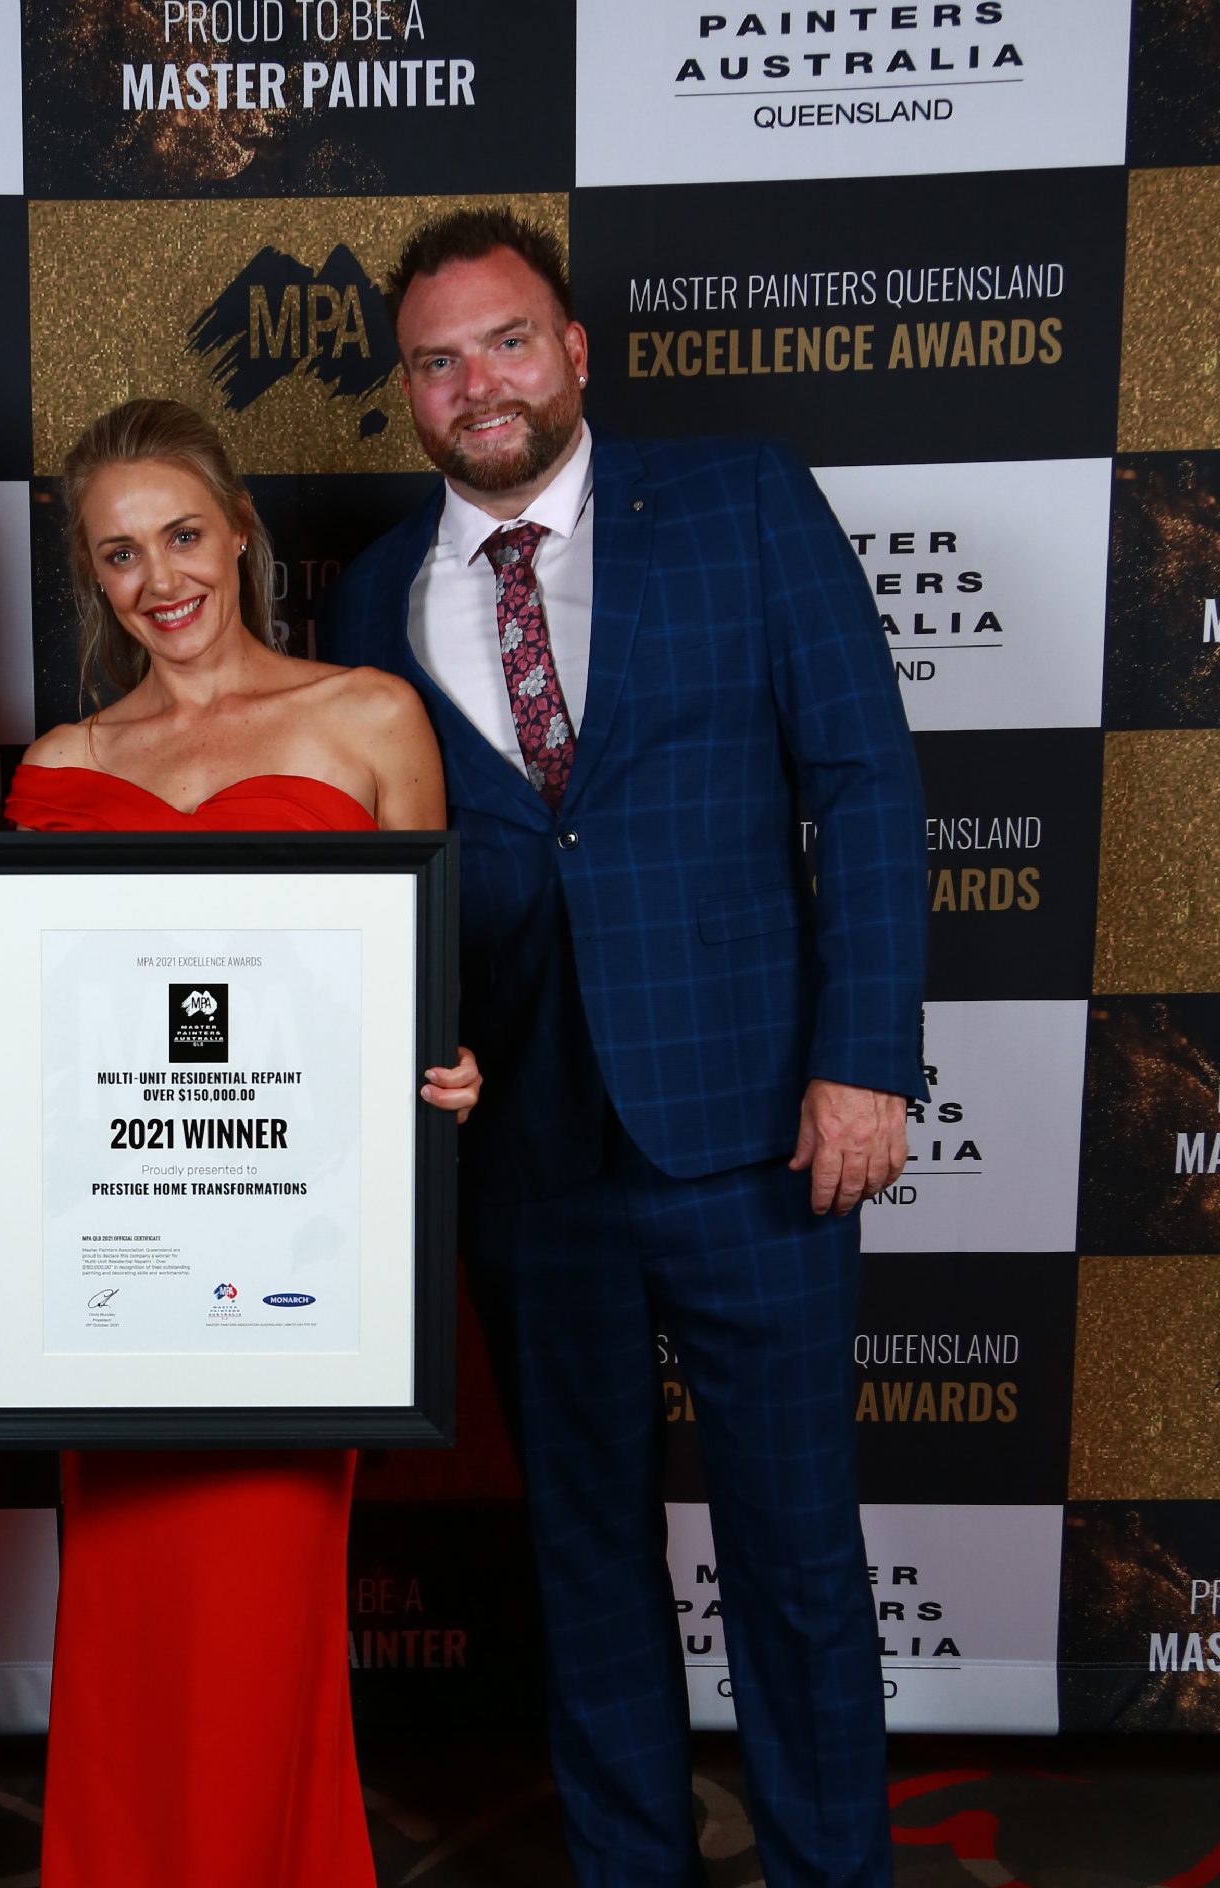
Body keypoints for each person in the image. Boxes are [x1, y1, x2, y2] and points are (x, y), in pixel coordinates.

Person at [316, 209, 928, 1888]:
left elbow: (866, 781)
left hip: (757, 1128)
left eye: (509, 341)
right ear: (408, 393)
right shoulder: (373, 594)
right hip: (524, 1153)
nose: (479, 385)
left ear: (574, 351)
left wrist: (866, 1058)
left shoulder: (739, 501)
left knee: (795, 1556)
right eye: (438, 362)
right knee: (584, 1561)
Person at [0, 397, 480, 1888]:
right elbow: (49, 1038)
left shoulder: (370, 719)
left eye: (180, 535)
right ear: (91, 579)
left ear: (238, 532)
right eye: (118, 555)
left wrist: (450, 1072)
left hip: (300, 1286)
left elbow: (426, 994)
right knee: (128, 1632)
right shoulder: (57, 768)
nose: (157, 579)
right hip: (116, 1294)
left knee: (260, 1633)